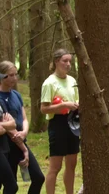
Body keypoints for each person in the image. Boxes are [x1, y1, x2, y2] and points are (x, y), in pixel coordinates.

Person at [0, 62, 45, 194]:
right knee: (10, 185)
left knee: (38, 177)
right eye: (11, 75)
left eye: (15, 74)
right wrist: (19, 138)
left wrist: (24, 132)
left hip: (21, 140)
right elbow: (6, 124)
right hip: (7, 145)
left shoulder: (16, 95)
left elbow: (24, 118)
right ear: (2, 77)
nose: (15, 78)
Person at [40, 49, 79, 194]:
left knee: (72, 163)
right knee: (55, 166)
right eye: (65, 61)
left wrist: (76, 105)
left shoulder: (72, 80)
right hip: (58, 123)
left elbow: (76, 99)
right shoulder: (49, 83)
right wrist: (62, 106)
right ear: (56, 62)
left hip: (73, 122)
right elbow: (44, 109)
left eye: (70, 61)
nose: (68, 64)